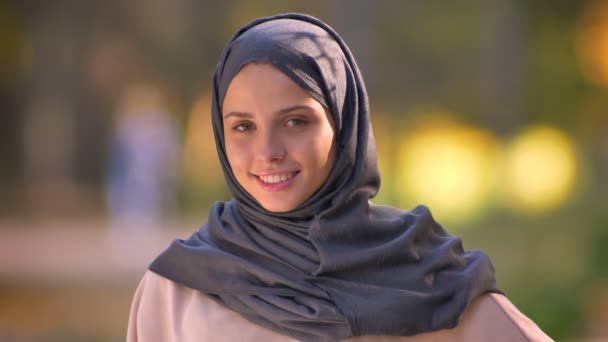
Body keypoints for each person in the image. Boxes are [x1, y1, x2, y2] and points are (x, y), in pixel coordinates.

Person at [127, 13, 552, 341]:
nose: (268, 152)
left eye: (295, 122)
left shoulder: (429, 279)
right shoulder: (176, 288)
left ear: (345, 125)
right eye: (243, 126)